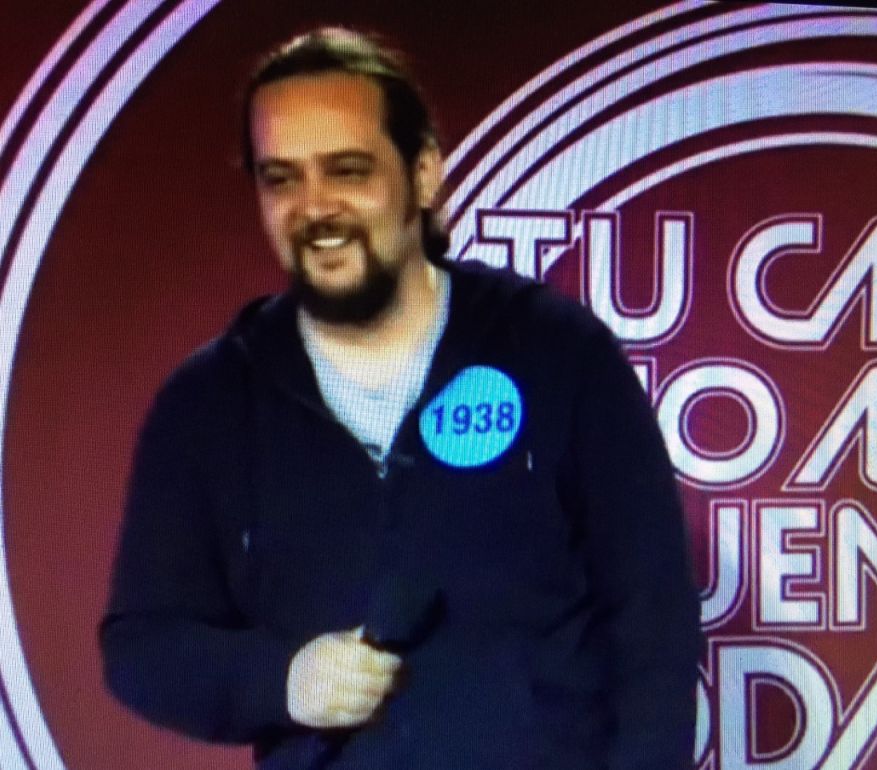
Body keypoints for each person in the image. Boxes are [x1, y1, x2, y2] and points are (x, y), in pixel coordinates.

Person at [100, 26, 702, 770]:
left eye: (347, 170)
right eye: (281, 179)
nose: (315, 208)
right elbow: (143, 647)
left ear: (422, 174)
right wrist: (282, 680)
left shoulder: (558, 352)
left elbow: (653, 620)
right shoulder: (208, 404)